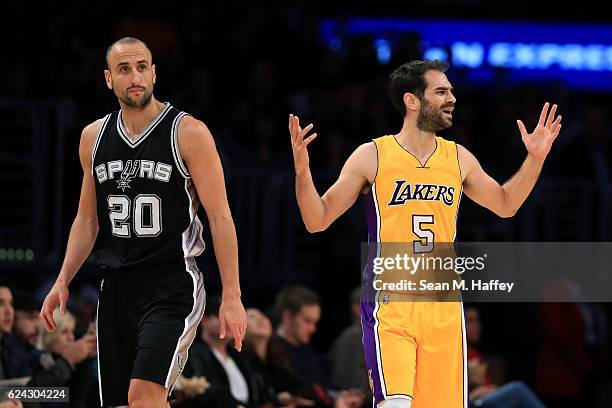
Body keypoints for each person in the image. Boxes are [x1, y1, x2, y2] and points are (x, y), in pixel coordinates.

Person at [289, 59, 562, 408]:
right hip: (392, 301)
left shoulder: (459, 157)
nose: (452, 98)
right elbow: (317, 219)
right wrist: (302, 172)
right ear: (412, 100)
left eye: (451, 91)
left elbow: (506, 204)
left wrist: (535, 158)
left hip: (444, 308)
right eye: (441, 91)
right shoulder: (373, 155)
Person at [40, 36, 247, 408]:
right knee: (123, 402)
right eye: (124, 69)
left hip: (172, 282)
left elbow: (220, 216)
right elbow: (87, 220)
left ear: (153, 73)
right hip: (116, 285)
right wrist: (62, 279)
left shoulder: (188, 132)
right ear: (109, 79)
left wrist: (232, 295)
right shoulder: (93, 137)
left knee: (145, 395)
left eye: (141, 67)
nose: (134, 76)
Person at [465, 306, 545, 408]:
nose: (477, 326)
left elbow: (487, 387)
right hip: (469, 402)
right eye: (470, 321)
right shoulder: (455, 354)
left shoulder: (474, 353)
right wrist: (474, 394)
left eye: (477, 321)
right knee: (517, 389)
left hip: (482, 399)